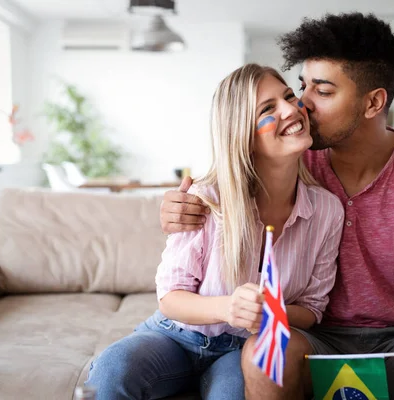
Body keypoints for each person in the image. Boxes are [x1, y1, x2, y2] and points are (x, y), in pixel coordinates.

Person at [160, 13, 394, 400]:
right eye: (302, 86)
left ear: (373, 103)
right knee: (267, 353)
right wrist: (176, 207)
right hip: (308, 340)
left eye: (323, 91)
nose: (301, 103)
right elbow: (226, 187)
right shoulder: (291, 156)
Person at [86, 64, 344, 400]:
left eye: (288, 97)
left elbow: (311, 310)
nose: (291, 109)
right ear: (242, 134)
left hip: (241, 351)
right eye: (268, 109)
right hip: (175, 335)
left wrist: (268, 311)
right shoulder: (207, 199)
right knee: (111, 370)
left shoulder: (327, 211)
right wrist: (228, 308)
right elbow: (170, 298)